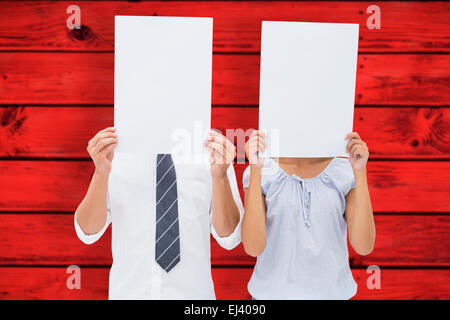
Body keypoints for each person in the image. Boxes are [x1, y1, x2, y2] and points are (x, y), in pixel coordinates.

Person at [74, 127, 243, 299]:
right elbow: (87, 231)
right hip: (129, 293)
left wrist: (220, 176)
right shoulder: (116, 147)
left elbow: (229, 237)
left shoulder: (211, 147)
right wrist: (100, 172)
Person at [241, 130, 375, 299]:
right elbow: (253, 247)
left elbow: (364, 245)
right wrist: (255, 169)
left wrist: (360, 172)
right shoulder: (264, 171)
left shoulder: (345, 172)